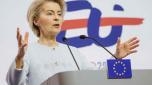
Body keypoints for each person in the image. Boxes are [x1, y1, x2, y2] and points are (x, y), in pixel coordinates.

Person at [6, 0, 139, 85]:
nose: (57, 18)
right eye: (50, 13)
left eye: (59, 14)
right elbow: (13, 82)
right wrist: (19, 58)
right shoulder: (28, 51)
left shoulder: (72, 51)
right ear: (36, 21)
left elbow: (93, 77)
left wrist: (115, 57)